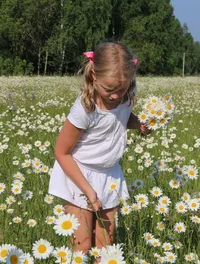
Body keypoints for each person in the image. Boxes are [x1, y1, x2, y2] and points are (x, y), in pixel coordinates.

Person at [48, 42, 150, 257]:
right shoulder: (85, 108)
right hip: (79, 175)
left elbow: (120, 118)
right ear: (94, 75)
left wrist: (139, 124)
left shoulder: (126, 97)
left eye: (121, 89)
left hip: (110, 175)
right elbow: (62, 152)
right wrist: (88, 190)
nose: (115, 96)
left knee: (106, 249)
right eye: (109, 90)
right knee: (82, 247)